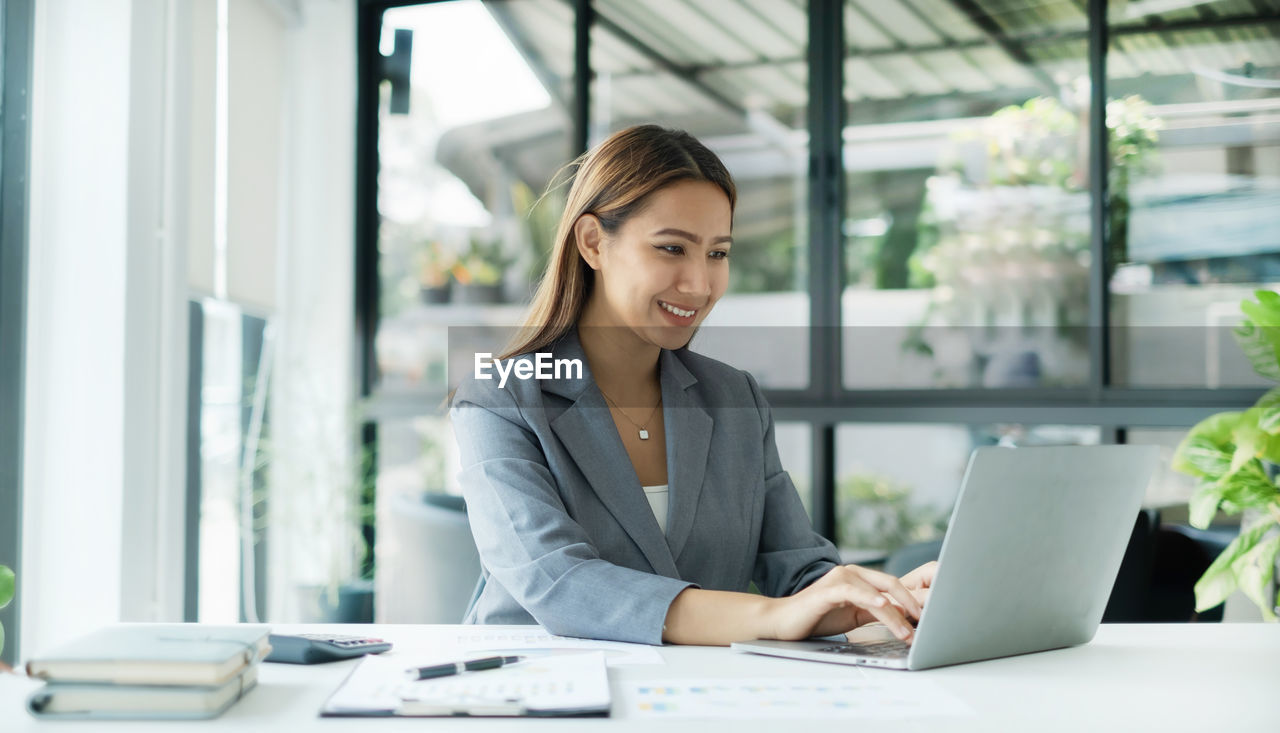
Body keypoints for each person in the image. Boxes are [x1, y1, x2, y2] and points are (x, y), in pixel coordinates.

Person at [450, 124, 935, 646]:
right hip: (538, 700)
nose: (700, 285)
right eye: (672, 249)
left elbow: (799, 573)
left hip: (695, 700)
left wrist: (879, 602)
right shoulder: (502, 396)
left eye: (718, 254)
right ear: (593, 242)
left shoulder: (734, 400)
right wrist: (771, 618)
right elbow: (561, 583)